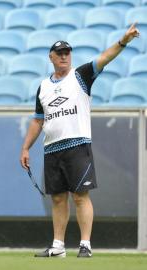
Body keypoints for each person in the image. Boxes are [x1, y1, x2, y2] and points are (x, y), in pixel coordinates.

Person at [19, 23, 140, 258]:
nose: (64, 56)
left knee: (80, 196)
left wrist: (123, 41)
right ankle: (58, 246)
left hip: (77, 145)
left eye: (67, 52)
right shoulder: (43, 87)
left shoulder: (80, 76)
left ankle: (85, 244)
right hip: (51, 148)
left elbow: (105, 58)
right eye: (60, 53)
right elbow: (37, 121)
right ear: (51, 57)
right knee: (57, 198)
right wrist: (25, 147)